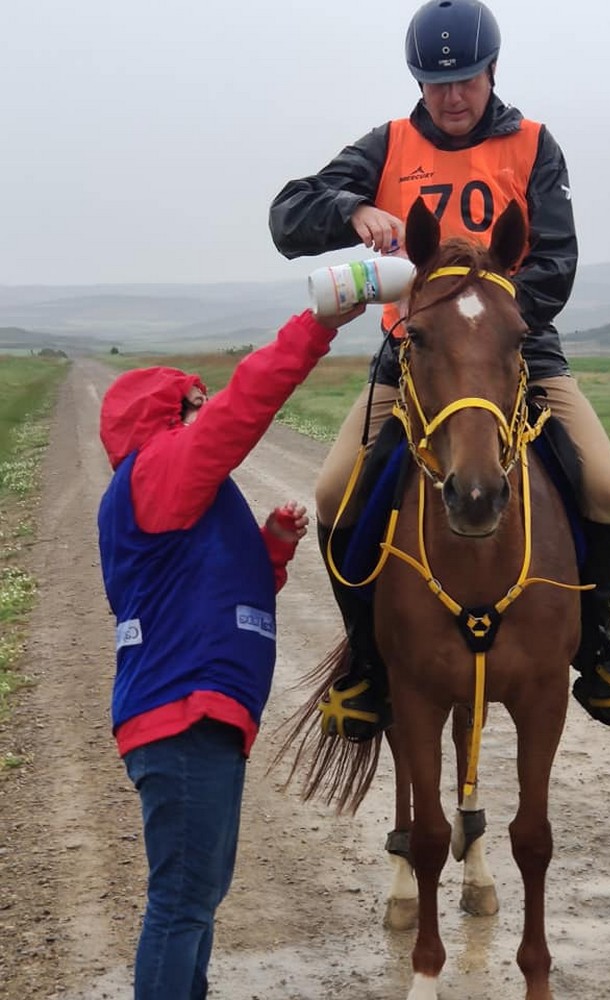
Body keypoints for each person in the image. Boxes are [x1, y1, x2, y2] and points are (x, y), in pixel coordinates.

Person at [268, 0, 610, 737]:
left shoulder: (535, 145)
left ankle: (594, 645)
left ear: (491, 71)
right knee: (333, 492)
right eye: (435, 83)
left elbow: (557, 261)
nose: (451, 96)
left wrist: (493, 324)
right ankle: (369, 664)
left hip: (517, 345)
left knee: (603, 485)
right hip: (414, 353)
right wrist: (351, 209)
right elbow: (287, 218)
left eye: (465, 80)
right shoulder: (388, 145)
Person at [97, 302, 363, 1000]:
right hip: (183, 714)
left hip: (202, 715)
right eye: (192, 406)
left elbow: (213, 597)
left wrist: (271, 550)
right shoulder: (158, 471)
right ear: (161, 419)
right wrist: (320, 323)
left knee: (197, 894)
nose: (205, 412)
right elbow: (246, 405)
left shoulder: (178, 496)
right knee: (182, 901)